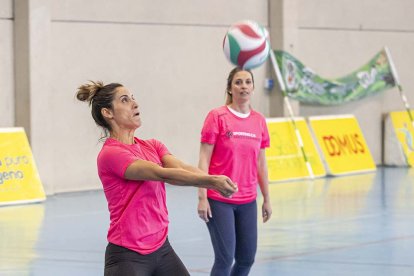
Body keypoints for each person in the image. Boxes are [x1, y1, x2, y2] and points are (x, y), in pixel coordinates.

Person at [76, 81, 238, 276]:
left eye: (133, 98)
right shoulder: (111, 154)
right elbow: (162, 173)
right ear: (108, 113)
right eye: (125, 100)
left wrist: (213, 177)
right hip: (128, 255)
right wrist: (212, 182)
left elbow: (180, 168)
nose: (135, 104)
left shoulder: (152, 145)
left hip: (161, 249)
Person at [197, 67, 272, 276]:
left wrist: (266, 197)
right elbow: (204, 158)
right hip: (219, 199)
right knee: (225, 258)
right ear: (230, 88)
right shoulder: (217, 116)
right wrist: (202, 196)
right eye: (238, 82)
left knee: (246, 259)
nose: (244, 86)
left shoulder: (259, 120)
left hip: (248, 201)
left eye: (248, 82)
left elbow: (261, 163)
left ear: (253, 87)